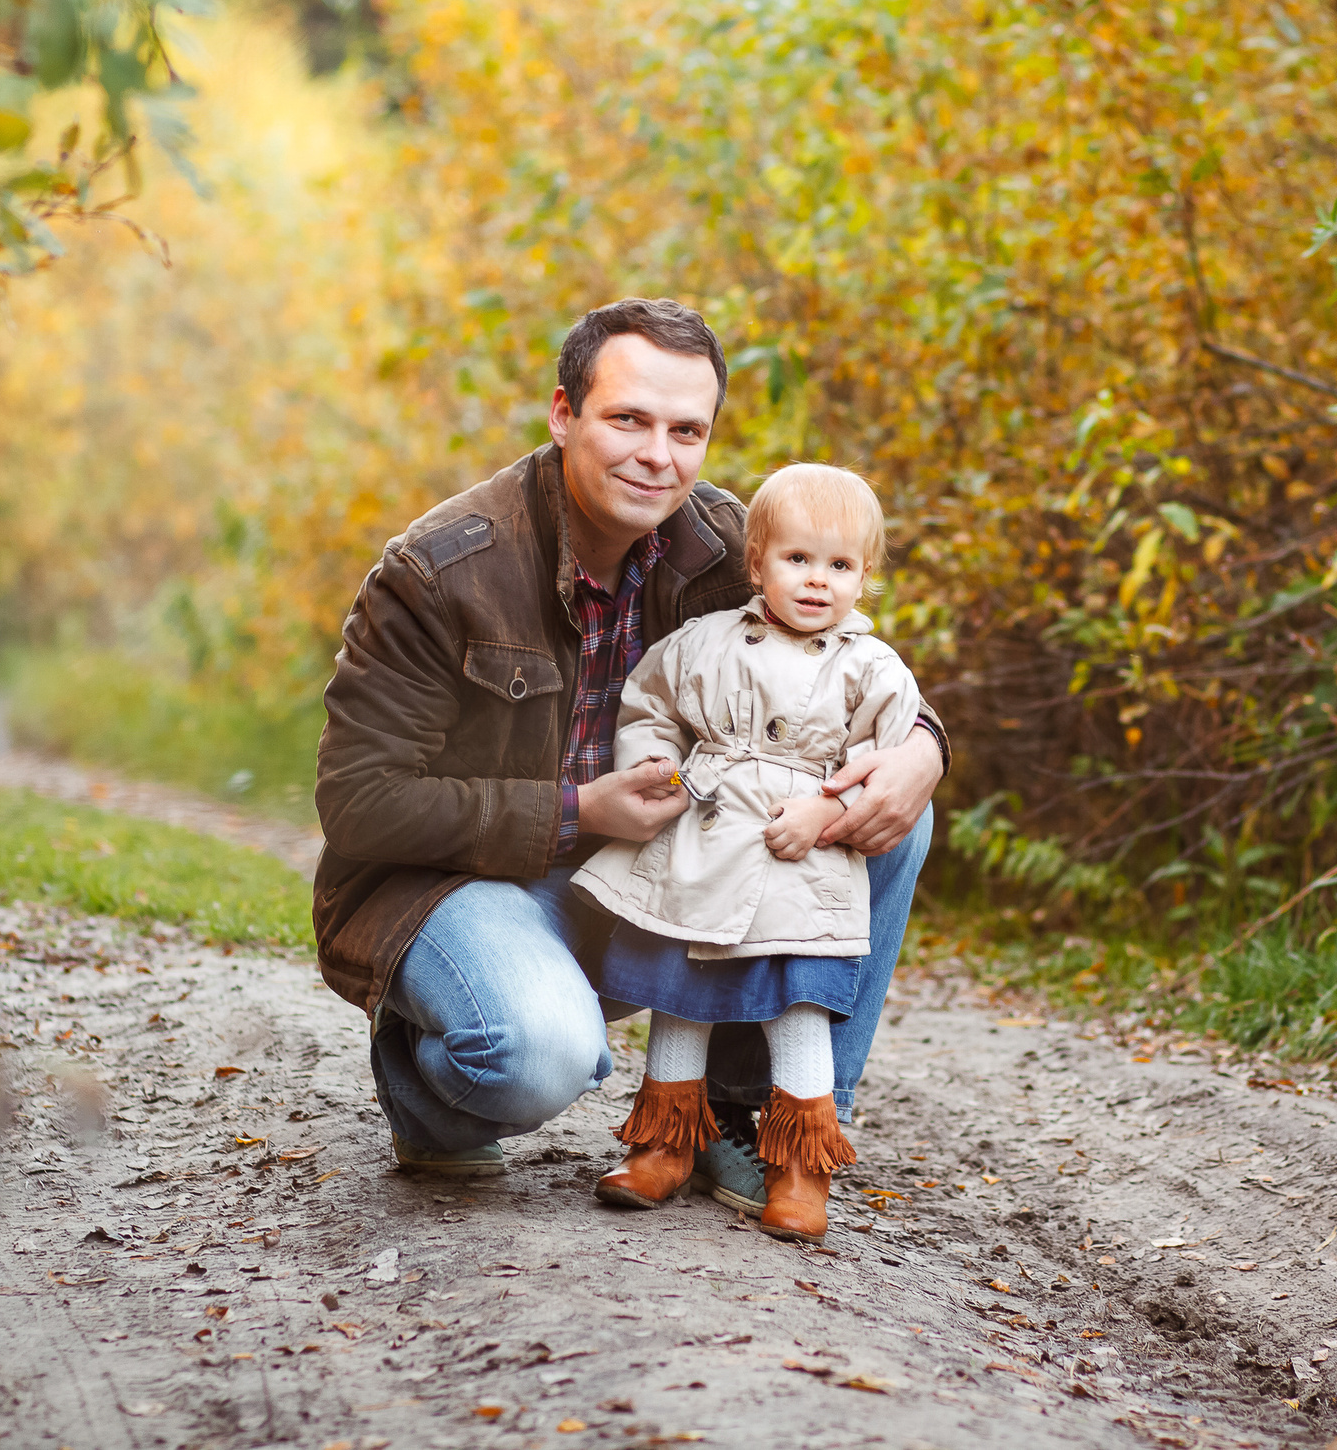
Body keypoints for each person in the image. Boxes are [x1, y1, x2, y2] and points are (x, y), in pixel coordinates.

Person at [310, 297, 948, 1211]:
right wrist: (579, 811)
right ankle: (431, 1083)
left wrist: (924, 748)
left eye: (686, 429)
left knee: (896, 813)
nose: (659, 454)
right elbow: (361, 801)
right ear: (564, 414)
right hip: (460, 882)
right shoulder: (440, 571)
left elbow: (856, 666)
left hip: (665, 868)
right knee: (535, 1053)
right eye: (628, 420)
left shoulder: (728, 545)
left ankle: (757, 1122)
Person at [578, 464, 920, 1241]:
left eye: (840, 566)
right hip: (705, 836)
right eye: (798, 559)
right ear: (757, 558)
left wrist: (830, 806)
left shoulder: (871, 668)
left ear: (865, 578)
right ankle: (665, 1140)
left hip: (803, 859)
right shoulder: (705, 641)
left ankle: (799, 1165)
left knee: (795, 998)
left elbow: (890, 762)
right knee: (683, 988)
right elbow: (650, 703)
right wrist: (656, 765)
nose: (817, 581)